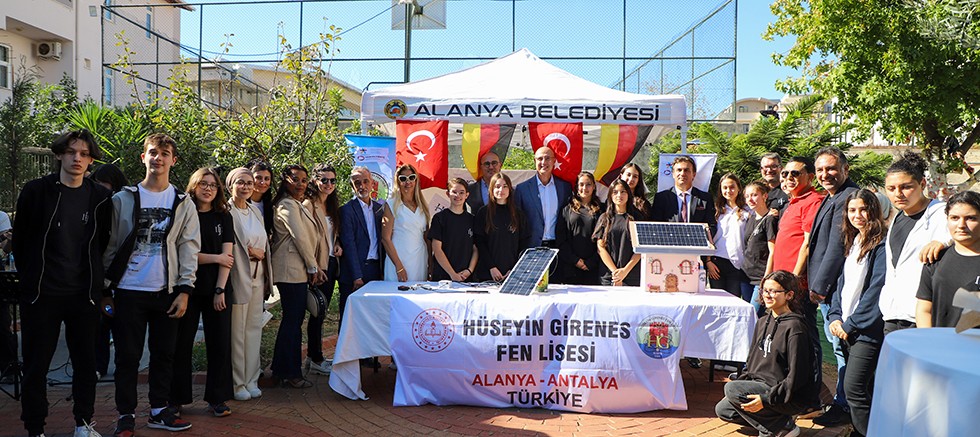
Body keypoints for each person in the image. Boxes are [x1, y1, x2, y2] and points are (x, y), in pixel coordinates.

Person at [12, 130, 112, 437]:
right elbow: (21, 240)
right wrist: (31, 279)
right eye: (71, 152)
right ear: (59, 155)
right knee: (36, 366)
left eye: (84, 154)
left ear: (91, 160)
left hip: (83, 295)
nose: (77, 158)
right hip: (42, 294)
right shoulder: (36, 191)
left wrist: (98, 284)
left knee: (86, 364)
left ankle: (83, 423)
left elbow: (103, 241)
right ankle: (35, 428)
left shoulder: (99, 197)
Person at [102, 133, 199, 435]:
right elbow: (109, 245)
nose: (158, 158)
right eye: (153, 152)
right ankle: (126, 415)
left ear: (174, 160)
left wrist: (184, 290)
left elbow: (189, 247)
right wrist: (105, 287)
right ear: (143, 157)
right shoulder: (122, 199)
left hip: (165, 291)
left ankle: (159, 410)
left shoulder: (182, 202)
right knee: (127, 357)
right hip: (128, 290)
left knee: (164, 355)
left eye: (165, 153)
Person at [715, 270, 821, 437]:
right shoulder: (763, 322)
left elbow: (798, 376)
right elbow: (752, 363)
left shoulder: (795, 327)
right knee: (724, 410)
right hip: (761, 385)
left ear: (789, 295)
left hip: (786, 393)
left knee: (732, 389)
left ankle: (777, 429)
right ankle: (782, 423)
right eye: (765, 290)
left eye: (774, 291)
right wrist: (745, 384)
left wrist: (766, 399)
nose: (767, 295)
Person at [171, 168, 234, 417]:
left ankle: (217, 398)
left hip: (217, 288)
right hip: (186, 289)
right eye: (203, 184)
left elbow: (228, 258)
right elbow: (181, 253)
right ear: (193, 186)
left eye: (213, 185)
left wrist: (220, 289)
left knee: (220, 344)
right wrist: (215, 257)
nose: (208, 189)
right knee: (181, 344)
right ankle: (176, 399)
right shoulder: (184, 213)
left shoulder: (223, 216)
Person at [807, 147, 860, 427]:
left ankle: (845, 405)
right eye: (820, 170)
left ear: (845, 169)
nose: (825, 174)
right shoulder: (832, 196)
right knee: (838, 347)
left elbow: (837, 246)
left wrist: (820, 286)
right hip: (829, 288)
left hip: (837, 288)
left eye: (831, 168)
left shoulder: (849, 196)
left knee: (841, 348)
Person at [828, 189, 888, 437]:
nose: (858, 215)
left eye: (863, 209)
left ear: (874, 211)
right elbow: (842, 284)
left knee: (853, 389)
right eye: (852, 210)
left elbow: (876, 289)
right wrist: (835, 315)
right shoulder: (854, 241)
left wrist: (851, 324)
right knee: (865, 389)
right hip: (847, 327)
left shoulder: (882, 244)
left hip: (867, 331)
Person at [879, 151, 949, 334]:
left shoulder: (942, 214)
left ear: (922, 184)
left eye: (906, 187)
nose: (898, 194)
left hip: (923, 316)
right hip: (893, 315)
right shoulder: (897, 218)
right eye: (891, 188)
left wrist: (945, 241)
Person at [768, 157, 823, 387]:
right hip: (781, 284)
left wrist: (792, 280)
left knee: (806, 339)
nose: (789, 177)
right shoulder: (792, 202)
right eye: (785, 173)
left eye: (795, 173)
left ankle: (812, 393)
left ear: (810, 177)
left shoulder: (813, 201)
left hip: (795, 287)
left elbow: (807, 244)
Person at [269, 165, 324, 389]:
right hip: (290, 270)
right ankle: (289, 372)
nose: (300, 184)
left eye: (304, 179)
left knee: (293, 321)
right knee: (292, 322)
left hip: (297, 270)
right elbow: (300, 238)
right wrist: (313, 267)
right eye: (295, 179)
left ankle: (281, 369)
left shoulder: (296, 204)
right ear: (285, 180)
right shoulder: (286, 205)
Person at [225, 167, 273, 402]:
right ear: (230, 185)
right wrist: (252, 251)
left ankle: (252, 379)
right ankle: (238, 382)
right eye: (240, 182)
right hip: (238, 276)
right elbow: (231, 244)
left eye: (248, 183)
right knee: (237, 332)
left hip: (259, 275)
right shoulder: (226, 211)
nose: (245, 187)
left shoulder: (255, 211)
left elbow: (265, 244)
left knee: (254, 329)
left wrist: (259, 254)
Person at [89, 163, 130, 380]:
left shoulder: (123, 204)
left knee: (121, 323)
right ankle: (98, 365)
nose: (101, 189)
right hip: (97, 273)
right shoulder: (92, 207)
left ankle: (123, 366)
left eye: (105, 185)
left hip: (121, 274)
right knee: (99, 322)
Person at [917, 190, 980, 328]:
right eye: (954, 218)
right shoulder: (935, 258)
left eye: (971, 218)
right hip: (939, 340)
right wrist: (928, 338)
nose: (961, 225)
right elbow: (924, 309)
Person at [303, 164, 343, 377]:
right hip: (318, 265)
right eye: (324, 180)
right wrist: (314, 267)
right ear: (315, 180)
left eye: (332, 180)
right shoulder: (309, 204)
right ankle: (316, 358)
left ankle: (313, 356)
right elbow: (307, 238)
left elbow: (331, 234)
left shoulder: (332, 205)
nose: (329, 184)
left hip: (332, 262)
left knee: (322, 310)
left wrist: (337, 243)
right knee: (317, 311)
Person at [337, 167, 384, 332]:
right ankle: (345, 349)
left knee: (373, 319)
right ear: (352, 186)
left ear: (372, 184)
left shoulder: (380, 209)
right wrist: (357, 276)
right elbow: (348, 244)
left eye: (365, 181)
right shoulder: (346, 210)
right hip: (354, 273)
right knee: (349, 319)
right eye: (357, 183)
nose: (362, 186)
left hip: (375, 270)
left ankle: (370, 350)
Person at [474, 173, 530, 282]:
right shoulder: (483, 213)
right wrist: (492, 267)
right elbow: (480, 243)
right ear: (491, 189)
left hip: (512, 274)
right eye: (497, 186)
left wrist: (514, 269)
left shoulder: (518, 214)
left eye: (505, 186)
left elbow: (524, 244)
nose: (501, 190)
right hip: (488, 273)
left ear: (510, 189)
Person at [514, 147, 572, 248]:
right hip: (532, 246)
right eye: (540, 159)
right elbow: (517, 220)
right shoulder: (522, 189)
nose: (543, 162)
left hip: (559, 246)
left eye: (547, 158)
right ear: (534, 161)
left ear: (554, 161)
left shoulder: (565, 187)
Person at [382, 164, 431, 282]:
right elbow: (385, 238)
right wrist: (398, 266)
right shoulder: (391, 204)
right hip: (398, 259)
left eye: (411, 177)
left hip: (419, 259)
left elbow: (426, 237)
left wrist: (431, 263)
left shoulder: (423, 206)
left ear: (416, 180)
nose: (408, 182)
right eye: (403, 178)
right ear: (398, 182)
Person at [707, 173, 751, 298]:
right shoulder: (716, 210)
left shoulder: (747, 211)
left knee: (734, 300)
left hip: (737, 263)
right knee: (717, 301)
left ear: (739, 188)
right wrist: (708, 261)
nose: (728, 191)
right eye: (725, 188)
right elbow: (709, 235)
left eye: (732, 187)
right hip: (716, 262)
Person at [556, 172, 603, 285]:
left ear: (594, 186)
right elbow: (561, 239)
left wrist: (591, 262)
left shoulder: (602, 209)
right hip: (570, 267)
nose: (584, 188)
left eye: (588, 184)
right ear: (576, 187)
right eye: (581, 184)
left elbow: (605, 239)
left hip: (595, 267)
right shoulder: (566, 209)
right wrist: (575, 260)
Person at [651, 156, 717, 235]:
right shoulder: (661, 198)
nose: (682, 173)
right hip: (669, 241)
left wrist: (699, 238)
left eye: (686, 170)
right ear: (673, 174)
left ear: (694, 174)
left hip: (696, 241)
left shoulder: (705, 198)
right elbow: (655, 226)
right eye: (679, 170)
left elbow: (711, 226)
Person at [594, 179, 642, 286]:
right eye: (615, 192)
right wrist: (615, 273)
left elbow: (641, 249)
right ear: (610, 195)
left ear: (628, 194)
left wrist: (624, 271)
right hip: (608, 276)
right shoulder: (604, 218)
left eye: (623, 192)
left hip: (631, 276)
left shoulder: (637, 217)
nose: (619, 195)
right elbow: (600, 247)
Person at [741, 181, 778, 316]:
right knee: (747, 316)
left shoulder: (770, 219)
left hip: (760, 277)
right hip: (745, 275)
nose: (750, 199)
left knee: (754, 314)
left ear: (764, 196)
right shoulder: (750, 218)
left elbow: (773, 251)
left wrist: (766, 278)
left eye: (754, 195)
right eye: (747, 196)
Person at [430, 178, 478, 282]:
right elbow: (437, 249)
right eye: (454, 192)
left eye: (461, 192)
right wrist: (452, 274)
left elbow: (475, 248)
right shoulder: (439, 218)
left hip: (466, 278)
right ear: (448, 194)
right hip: (443, 277)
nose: (458, 196)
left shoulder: (472, 220)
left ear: (467, 195)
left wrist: (469, 270)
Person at [248, 160, 275, 237]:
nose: (263, 182)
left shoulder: (270, 206)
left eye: (267, 179)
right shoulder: (241, 204)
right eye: (258, 178)